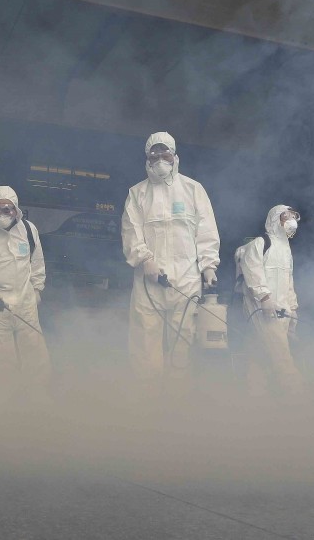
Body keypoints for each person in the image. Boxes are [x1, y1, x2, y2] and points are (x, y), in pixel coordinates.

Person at [121, 132, 220, 387]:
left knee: (182, 341)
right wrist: (145, 260)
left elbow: (206, 230)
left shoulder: (192, 189)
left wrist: (209, 266)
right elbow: (131, 230)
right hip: (149, 281)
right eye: (155, 155)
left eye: (165, 154)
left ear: (175, 156)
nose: (160, 159)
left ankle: (175, 397)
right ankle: (148, 396)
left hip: (185, 279)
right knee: (145, 339)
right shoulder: (138, 193)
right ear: (147, 158)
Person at [0, 186, 49, 405]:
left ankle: (37, 397)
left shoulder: (29, 230)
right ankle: (5, 402)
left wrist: (37, 289)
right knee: (2, 358)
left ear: (16, 210)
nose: (3, 214)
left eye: (8, 209)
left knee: (35, 352)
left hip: (25, 303)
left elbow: (37, 262)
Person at [236, 205, 304, 397]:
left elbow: (288, 280)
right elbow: (252, 271)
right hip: (262, 308)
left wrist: (293, 307)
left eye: (293, 216)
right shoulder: (261, 243)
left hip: (281, 310)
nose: (291, 220)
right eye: (286, 216)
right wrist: (265, 298)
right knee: (281, 355)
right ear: (275, 219)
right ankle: (297, 397)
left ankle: (256, 396)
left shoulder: (286, 249)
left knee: (257, 354)